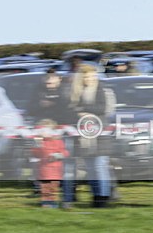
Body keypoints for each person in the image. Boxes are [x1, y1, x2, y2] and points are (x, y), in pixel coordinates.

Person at [67, 64, 113, 207]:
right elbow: (71, 109)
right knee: (90, 167)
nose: (90, 79)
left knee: (100, 166)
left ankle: (103, 197)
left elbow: (101, 108)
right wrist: (79, 113)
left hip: (100, 133)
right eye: (86, 76)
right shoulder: (76, 92)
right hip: (84, 135)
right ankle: (95, 195)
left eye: (92, 76)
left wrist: (84, 110)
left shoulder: (101, 90)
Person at [31, 119, 69, 208]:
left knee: (53, 186)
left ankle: (52, 202)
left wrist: (59, 155)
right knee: (45, 186)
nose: (43, 132)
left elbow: (65, 152)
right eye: (41, 130)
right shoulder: (40, 141)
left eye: (45, 130)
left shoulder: (58, 141)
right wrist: (37, 143)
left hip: (55, 168)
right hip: (44, 168)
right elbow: (36, 154)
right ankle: (46, 202)